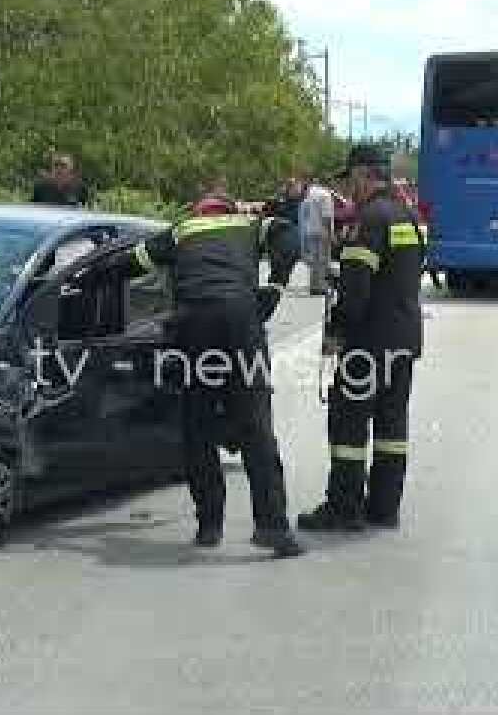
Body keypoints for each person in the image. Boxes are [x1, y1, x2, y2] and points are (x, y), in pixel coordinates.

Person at [118, 186, 305, 558]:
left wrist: (82, 274)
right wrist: (275, 284)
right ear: (229, 209)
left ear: (198, 210)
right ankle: (273, 528)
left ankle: (209, 526)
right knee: (256, 426)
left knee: (198, 426)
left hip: (196, 324)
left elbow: (129, 263)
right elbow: (290, 237)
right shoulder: (253, 224)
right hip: (241, 323)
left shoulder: (181, 231)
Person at [298, 143, 424, 532]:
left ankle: (344, 508)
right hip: (404, 339)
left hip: (368, 344)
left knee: (349, 425)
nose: (349, 188)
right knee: (392, 427)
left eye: (350, 179)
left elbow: (355, 291)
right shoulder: (406, 214)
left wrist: (335, 332)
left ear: (363, 174)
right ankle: (384, 509)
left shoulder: (368, 220)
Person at [265, 177, 305, 288]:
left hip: (292, 235)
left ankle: (279, 282)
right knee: (277, 261)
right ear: (288, 188)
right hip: (278, 234)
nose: (297, 190)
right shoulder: (277, 201)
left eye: (299, 188)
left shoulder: (301, 203)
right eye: (295, 187)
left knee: (288, 261)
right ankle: (275, 282)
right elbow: (267, 213)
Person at [298, 180, 335, 296]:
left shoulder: (309, 194)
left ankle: (314, 285)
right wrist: (330, 232)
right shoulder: (325, 195)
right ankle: (321, 286)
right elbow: (327, 216)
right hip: (322, 230)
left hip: (311, 230)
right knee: (323, 259)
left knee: (315, 260)